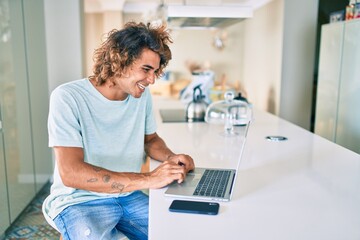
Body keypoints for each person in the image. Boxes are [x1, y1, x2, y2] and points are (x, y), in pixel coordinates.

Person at [42, 21, 195, 240]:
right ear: (119, 60)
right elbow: (71, 172)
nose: (152, 80)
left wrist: (172, 159)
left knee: (177, 233)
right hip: (79, 200)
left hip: (128, 196)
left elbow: (150, 140)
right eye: (146, 69)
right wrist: (149, 179)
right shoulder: (67, 97)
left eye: (155, 71)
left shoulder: (141, 97)